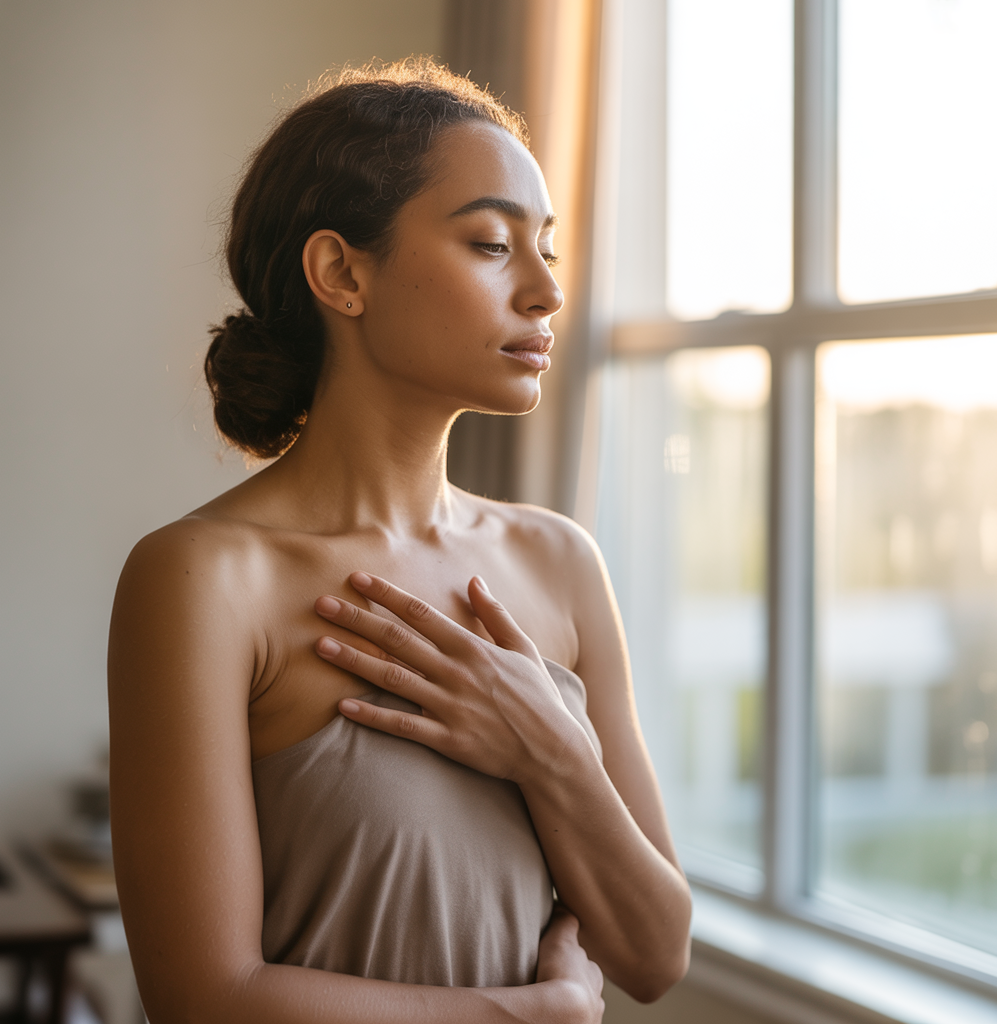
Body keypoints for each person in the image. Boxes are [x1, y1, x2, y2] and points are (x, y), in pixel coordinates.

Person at [107, 58, 691, 1024]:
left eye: (548, 246)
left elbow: (655, 952)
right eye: (493, 245)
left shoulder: (561, 563)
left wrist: (549, 751)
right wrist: (527, 1016)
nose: (546, 291)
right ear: (342, 272)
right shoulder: (201, 579)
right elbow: (201, 998)